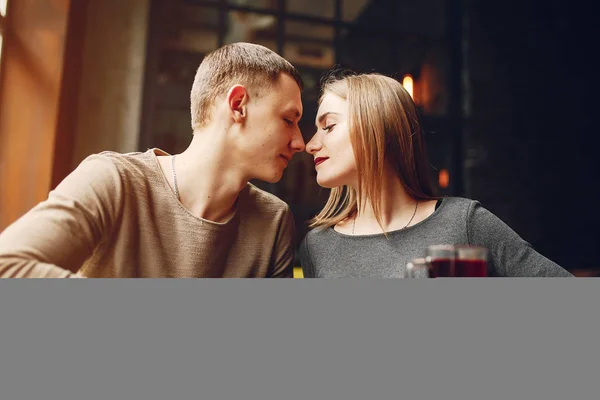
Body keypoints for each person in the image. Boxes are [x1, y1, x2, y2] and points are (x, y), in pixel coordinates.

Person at [0, 42, 306, 278]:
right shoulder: (114, 180)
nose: (300, 142)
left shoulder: (274, 222)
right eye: (288, 120)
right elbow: (8, 266)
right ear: (238, 105)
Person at [299, 72, 572, 278]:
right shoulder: (317, 246)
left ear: (377, 128)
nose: (310, 144)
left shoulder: (466, 222)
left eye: (329, 126)